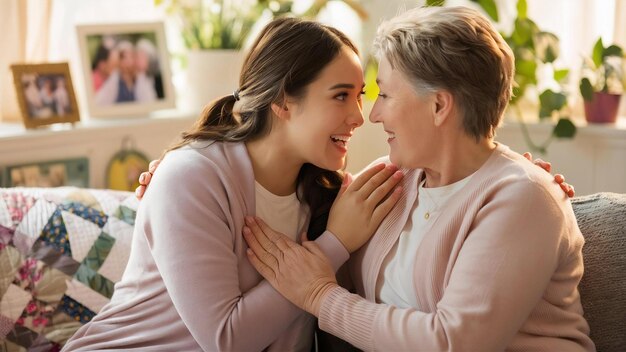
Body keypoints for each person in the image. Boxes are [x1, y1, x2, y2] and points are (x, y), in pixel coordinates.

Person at [241, 6, 595, 351]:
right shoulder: (393, 180)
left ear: (439, 106)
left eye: (386, 95)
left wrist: (320, 296)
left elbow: (453, 343)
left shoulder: (523, 198)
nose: (373, 115)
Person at [62, 17, 403, 351]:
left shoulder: (330, 193)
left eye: (360, 95)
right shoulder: (190, 178)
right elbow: (227, 340)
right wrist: (335, 244)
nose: (359, 116)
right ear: (283, 101)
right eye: (341, 96)